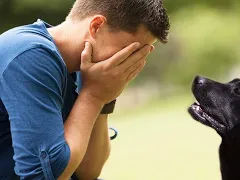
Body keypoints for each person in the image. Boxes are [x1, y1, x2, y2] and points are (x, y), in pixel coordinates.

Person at [0, 0, 170, 179]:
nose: (130, 62)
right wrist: (93, 96)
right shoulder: (29, 55)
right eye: (129, 51)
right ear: (96, 26)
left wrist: (103, 97)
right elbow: (42, 177)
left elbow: (88, 172)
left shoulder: (88, 68)